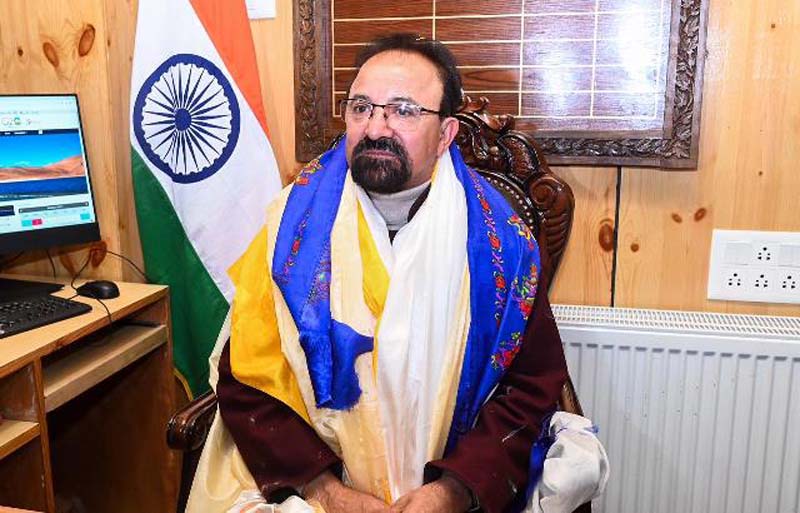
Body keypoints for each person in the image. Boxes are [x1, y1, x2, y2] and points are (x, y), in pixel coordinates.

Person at [187, 34, 577, 513]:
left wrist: (454, 490)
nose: (374, 129)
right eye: (361, 108)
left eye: (403, 110)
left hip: (454, 485)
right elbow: (246, 380)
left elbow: (530, 385)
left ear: (446, 134)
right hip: (313, 483)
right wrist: (328, 492)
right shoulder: (289, 230)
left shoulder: (503, 245)